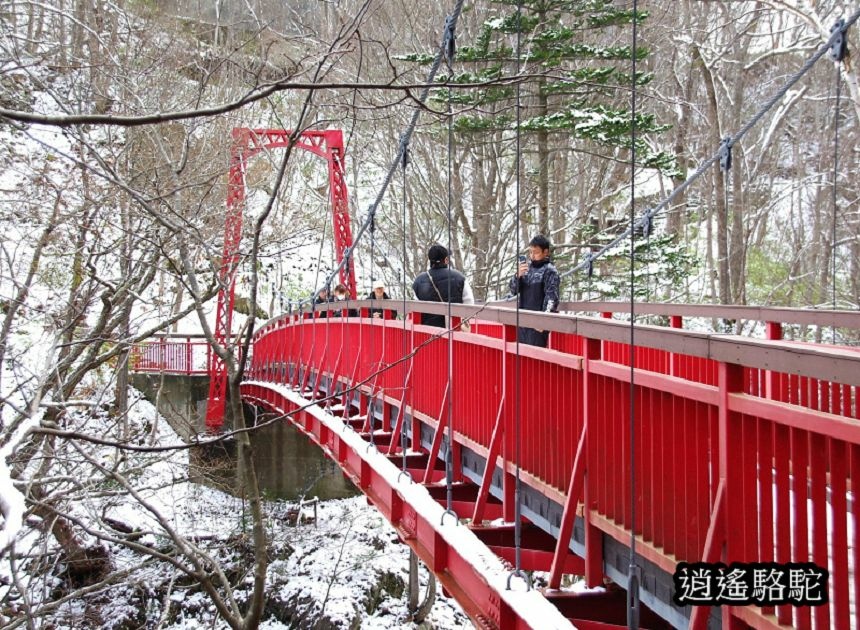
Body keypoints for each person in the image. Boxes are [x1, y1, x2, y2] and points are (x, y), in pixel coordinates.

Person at [509, 234, 560, 347]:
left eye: (536, 252)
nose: (532, 256)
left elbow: (552, 298)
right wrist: (517, 276)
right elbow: (513, 290)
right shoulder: (526, 269)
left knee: (536, 358)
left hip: (538, 323)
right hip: (523, 321)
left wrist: (544, 321)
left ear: (545, 252)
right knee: (522, 357)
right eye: (530, 252)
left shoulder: (550, 271)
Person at [412, 244, 473, 327]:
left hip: (427, 332)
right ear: (446, 259)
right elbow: (469, 304)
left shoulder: (419, 280)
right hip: (453, 331)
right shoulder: (460, 278)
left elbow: (414, 307)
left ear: (430, 260)